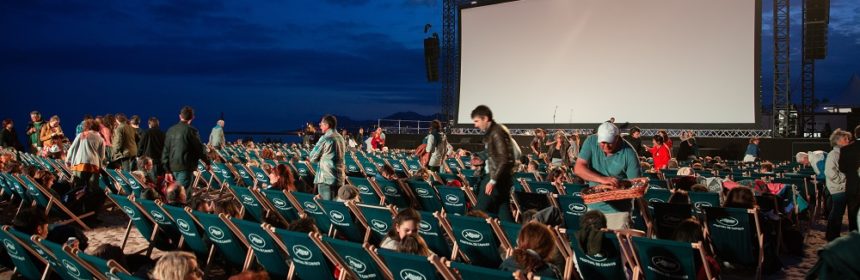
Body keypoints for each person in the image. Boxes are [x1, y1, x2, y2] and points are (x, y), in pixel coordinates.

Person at [573, 122, 640, 229]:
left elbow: (636, 185)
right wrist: (602, 179)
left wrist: (618, 188)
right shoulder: (591, 141)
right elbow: (579, 168)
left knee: (616, 245)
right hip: (593, 207)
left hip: (618, 212)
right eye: (602, 142)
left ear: (617, 138)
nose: (605, 146)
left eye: (609, 142)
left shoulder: (629, 154)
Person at [471, 105, 518, 221]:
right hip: (503, 179)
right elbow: (495, 153)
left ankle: (469, 238)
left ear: (485, 118)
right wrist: (481, 158)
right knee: (505, 216)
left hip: (494, 178)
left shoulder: (496, 132)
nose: (475, 125)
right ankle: (516, 238)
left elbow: (503, 158)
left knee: (477, 215)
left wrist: (492, 181)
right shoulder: (496, 131)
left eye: (477, 121)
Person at [163, 106, 210, 190]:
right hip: (185, 167)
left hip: (172, 167)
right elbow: (199, 148)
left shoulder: (171, 130)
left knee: (174, 194)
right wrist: (207, 161)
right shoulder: (191, 130)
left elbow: (166, 151)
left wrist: (167, 170)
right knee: (183, 195)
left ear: (180, 116)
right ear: (192, 117)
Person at [65, 119, 106, 203]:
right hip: (94, 165)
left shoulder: (82, 135)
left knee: (77, 187)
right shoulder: (100, 139)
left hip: (79, 164)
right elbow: (102, 156)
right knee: (92, 188)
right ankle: (89, 205)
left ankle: (76, 205)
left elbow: (72, 148)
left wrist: (67, 160)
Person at [308, 114, 346, 200]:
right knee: (336, 209)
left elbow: (312, 157)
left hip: (326, 178)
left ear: (327, 125)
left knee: (327, 208)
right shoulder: (341, 138)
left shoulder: (325, 138)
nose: (320, 125)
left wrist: (320, 158)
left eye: (321, 124)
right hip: (340, 177)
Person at [825, 129, 852, 241]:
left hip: (844, 188)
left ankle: (834, 236)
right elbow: (830, 173)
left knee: (839, 213)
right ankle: (832, 236)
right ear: (838, 141)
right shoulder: (833, 154)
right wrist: (847, 177)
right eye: (845, 139)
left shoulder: (843, 153)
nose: (848, 140)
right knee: (837, 213)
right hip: (839, 189)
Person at [838, 125, 860, 232]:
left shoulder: (846, 149)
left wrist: (852, 173)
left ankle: (854, 236)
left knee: (852, 212)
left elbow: (842, 168)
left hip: (852, 185)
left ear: (855, 135)